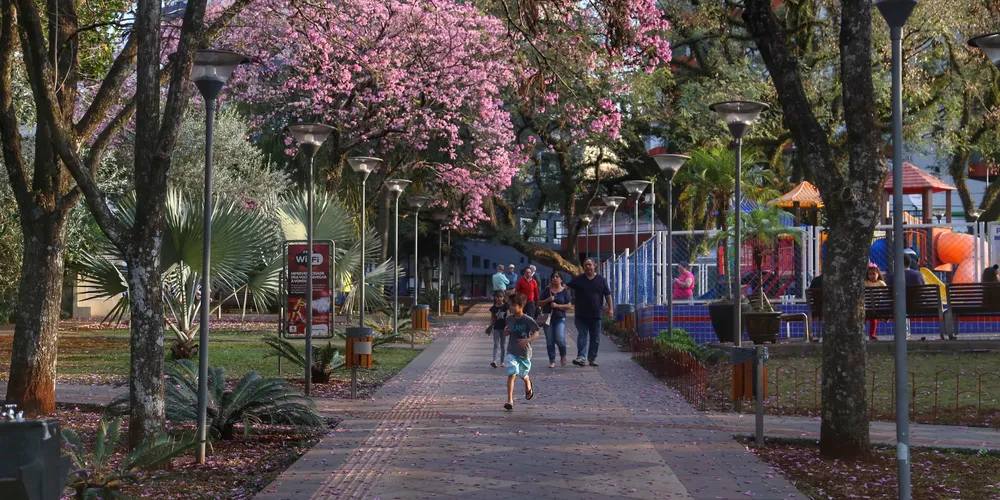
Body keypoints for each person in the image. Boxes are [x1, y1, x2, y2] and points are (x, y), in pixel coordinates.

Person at [567, 258, 613, 367]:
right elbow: (566, 287)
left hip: (596, 314)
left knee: (595, 338)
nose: (588, 267)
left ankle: (592, 358)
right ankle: (581, 357)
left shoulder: (601, 280)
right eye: (585, 265)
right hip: (581, 314)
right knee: (582, 335)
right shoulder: (578, 279)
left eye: (589, 265)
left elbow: (608, 295)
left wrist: (611, 309)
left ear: (594, 265)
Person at [503, 293, 539, 410]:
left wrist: (527, 340)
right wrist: (506, 331)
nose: (511, 307)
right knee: (512, 373)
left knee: (523, 374)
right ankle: (510, 400)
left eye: (514, 305)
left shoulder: (528, 320)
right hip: (512, 350)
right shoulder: (509, 319)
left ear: (521, 306)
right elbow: (507, 330)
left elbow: (536, 333)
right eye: (510, 305)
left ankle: (528, 382)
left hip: (524, 352)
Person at [539, 272, 572, 368]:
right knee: (550, 340)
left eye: (557, 277)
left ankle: (563, 354)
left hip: (560, 318)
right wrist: (548, 300)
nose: (555, 278)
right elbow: (539, 303)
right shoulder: (547, 290)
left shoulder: (565, 291)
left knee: (559, 338)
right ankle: (552, 360)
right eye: (553, 277)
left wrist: (558, 306)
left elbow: (569, 305)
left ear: (561, 279)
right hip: (547, 319)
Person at [865, 263, 887, 341]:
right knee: (868, 318)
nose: (872, 276)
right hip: (868, 305)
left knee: (873, 319)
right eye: (870, 274)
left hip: (877, 305)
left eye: (873, 274)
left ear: (878, 274)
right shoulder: (866, 282)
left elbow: (886, 291)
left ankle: (872, 334)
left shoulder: (880, 283)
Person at [488, 291, 510, 368]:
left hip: (504, 328)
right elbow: (492, 318)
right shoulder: (493, 308)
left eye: (501, 297)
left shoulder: (506, 306)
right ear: (495, 298)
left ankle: (502, 361)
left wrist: (508, 326)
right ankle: (494, 360)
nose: (499, 298)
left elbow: (508, 317)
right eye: (497, 297)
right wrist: (490, 326)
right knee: (496, 344)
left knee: (503, 345)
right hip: (496, 328)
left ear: (503, 298)